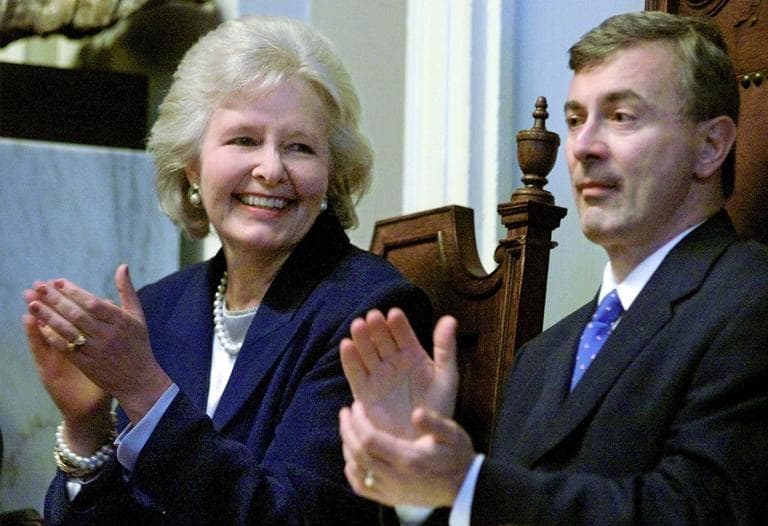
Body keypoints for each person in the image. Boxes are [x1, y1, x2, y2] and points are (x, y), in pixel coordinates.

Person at [338, 11, 768, 525]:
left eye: (621, 116)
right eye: (575, 119)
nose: (583, 146)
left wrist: (466, 484)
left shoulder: (751, 299)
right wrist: (416, 484)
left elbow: (698, 511)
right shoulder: (541, 358)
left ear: (710, 147)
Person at [22, 15, 432, 524]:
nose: (271, 169)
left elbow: (294, 518)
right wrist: (87, 428)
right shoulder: (159, 308)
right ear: (192, 165)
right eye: (243, 140)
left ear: (331, 174)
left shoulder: (369, 309)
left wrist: (147, 393)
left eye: (299, 147)